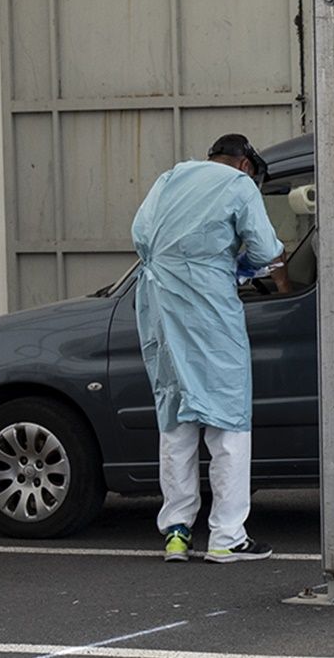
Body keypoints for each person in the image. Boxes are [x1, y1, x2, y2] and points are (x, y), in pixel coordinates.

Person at [131, 133, 290, 563]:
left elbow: (141, 236)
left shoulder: (170, 178)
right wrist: (234, 265)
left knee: (176, 424)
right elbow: (263, 248)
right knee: (228, 426)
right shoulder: (238, 186)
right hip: (210, 312)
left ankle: (177, 534)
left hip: (160, 310)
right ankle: (227, 536)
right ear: (244, 165)